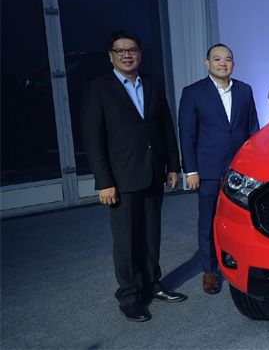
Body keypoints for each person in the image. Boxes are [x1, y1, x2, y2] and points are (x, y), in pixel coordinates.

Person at [82, 29, 187, 322]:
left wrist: (172, 166)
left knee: (151, 235)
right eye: (121, 51)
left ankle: (152, 285)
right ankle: (129, 296)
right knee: (127, 239)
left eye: (132, 50)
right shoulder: (98, 88)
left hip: (154, 173)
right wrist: (104, 183)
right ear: (111, 56)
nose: (127, 55)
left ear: (140, 54)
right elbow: (93, 139)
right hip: (121, 177)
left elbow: (165, 127)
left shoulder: (152, 83)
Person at [178, 44, 259, 294]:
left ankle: (245, 264)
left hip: (240, 172)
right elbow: (187, 134)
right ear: (207, 63)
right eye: (217, 59)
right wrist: (190, 171)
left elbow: (253, 131)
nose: (223, 63)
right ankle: (210, 271)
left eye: (228, 59)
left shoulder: (245, 90)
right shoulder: (193, 92)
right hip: (209, 170)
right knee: (209, 222)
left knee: (245, 220)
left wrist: (255, 167)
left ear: (233, 64)